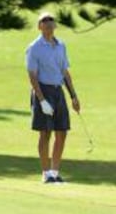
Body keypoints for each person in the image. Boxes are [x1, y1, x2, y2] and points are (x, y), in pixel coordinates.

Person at [26, 12, 80, 183]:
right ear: (39, 26)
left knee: (62, 132)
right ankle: (45, 173)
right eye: (44, 21)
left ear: (55, 26)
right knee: (45, 133)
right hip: (43, 90)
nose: (48, 23)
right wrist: (41, 100)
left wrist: (73, 96)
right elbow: (32, 75)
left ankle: (55, 173)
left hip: (58, 91)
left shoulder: (61, 46)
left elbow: (65, 72)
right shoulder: (34, 48)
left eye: (51, 21)